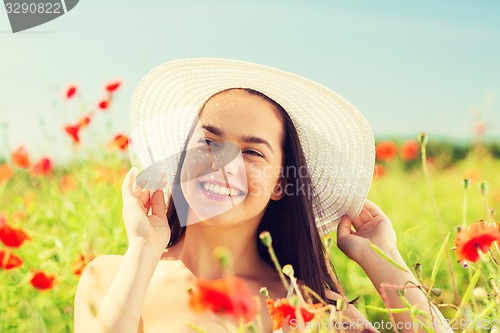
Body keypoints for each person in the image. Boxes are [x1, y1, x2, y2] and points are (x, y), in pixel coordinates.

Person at [74, 59, 449, 333]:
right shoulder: (110, 277)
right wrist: (144, 246)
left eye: (253, 152)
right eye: (209, 142)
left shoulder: (308, 309)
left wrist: (384, 259)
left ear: (280, 184)